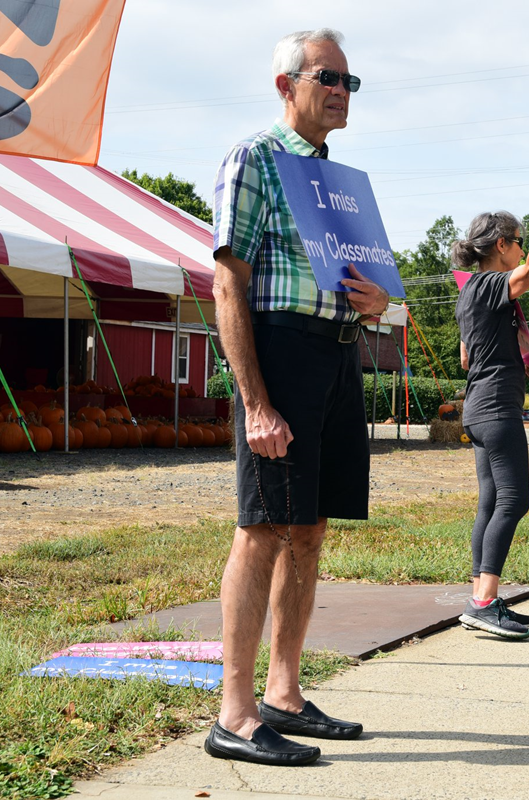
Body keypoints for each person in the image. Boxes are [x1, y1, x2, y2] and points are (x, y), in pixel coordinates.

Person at [207, 28, 389, 767]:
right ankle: (235, 714)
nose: (342, 92)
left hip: (340, 357)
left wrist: (379, 302)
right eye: (329, 78)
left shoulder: (335, 182)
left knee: (310, 527)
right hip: (280, 352)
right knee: (263, 528)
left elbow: (366, 289)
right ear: (286, 85)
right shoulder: (255, 158)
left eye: (351, 82)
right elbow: (228, 283)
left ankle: (284, 692)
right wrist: (256, 402)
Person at [453, 176, 529, 639]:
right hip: (497, 407)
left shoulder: (469, 292)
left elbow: (464, 356)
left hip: (479, 406)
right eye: (518, 244)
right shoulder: (488, 285)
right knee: (515, 499)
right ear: (502, 245)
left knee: (492, 501)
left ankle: (481, 596)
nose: (522, 251)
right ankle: (484, 602)